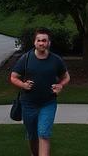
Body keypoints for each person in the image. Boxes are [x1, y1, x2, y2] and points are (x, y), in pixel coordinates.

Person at [12, 27, 71, 156]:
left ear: (49, 43)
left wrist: (60, 85)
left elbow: (66, 77)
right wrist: (23, 85)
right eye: (39, 40)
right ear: (34, 42)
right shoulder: (26, 58)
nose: (41, 43)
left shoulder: (56, 60)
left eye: (44, 40)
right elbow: (13, 77)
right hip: (28, 104)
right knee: (32, 136)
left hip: (48, 103)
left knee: (44, 134)